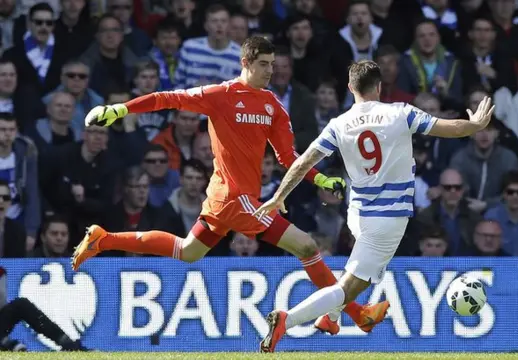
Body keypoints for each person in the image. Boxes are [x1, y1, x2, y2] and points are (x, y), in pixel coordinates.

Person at [71, 36, 386, 334]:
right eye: (264, 63)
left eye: (273, 64)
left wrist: (320, 178)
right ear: (246, 62)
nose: (270, 70)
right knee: (306, 246)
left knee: (188, 251)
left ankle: (104, 239)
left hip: (231, 200)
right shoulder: (219, 96)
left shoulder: (273, 106)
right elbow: (168, 98)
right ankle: (358, 314)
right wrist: (122, 108)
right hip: (234, 198)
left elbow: (288, 156)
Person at [254, 59, 495, 353]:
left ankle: (331, 320)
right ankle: (286, 320)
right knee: (346, 291)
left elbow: (303, 162)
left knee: (351, 279)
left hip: (357, 213)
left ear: (350, 88)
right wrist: (476, 124)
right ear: (379, 87)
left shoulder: (338, 124)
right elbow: (450, 129)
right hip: (388, 218)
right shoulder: (400, 113)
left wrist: (279, 196)